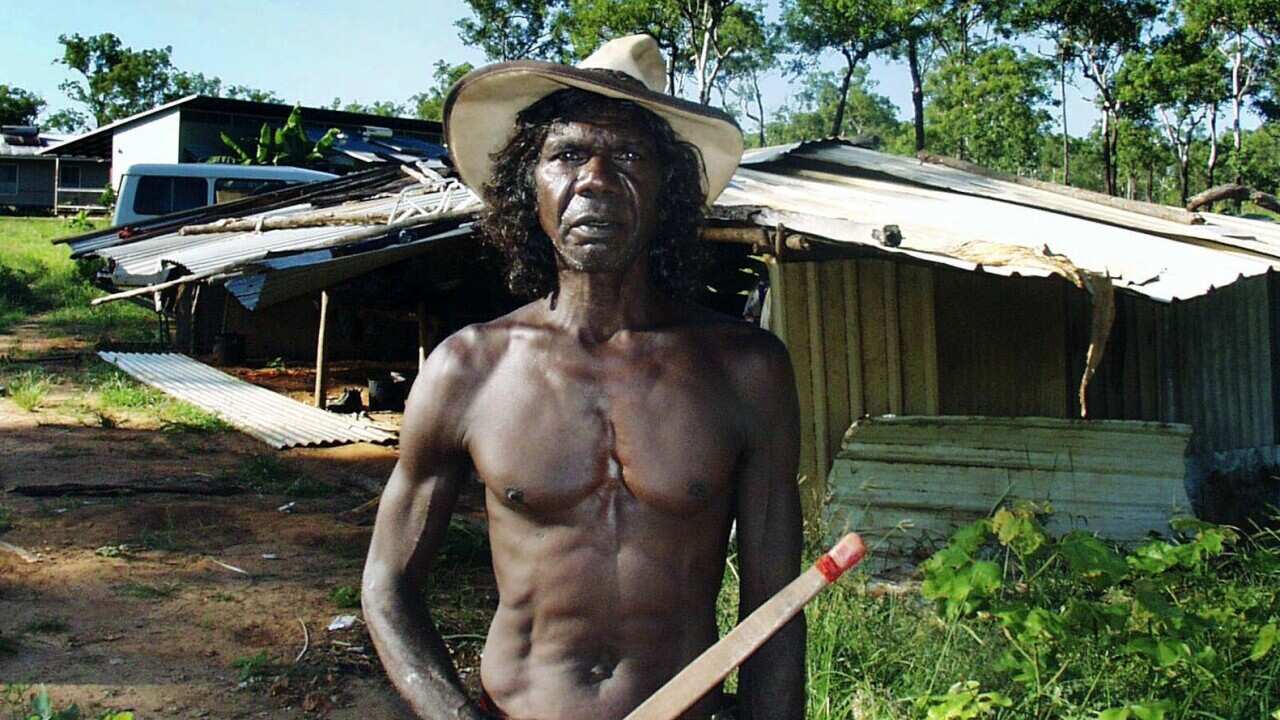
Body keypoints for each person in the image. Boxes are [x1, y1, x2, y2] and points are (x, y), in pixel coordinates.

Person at [362, 35, 804, 720]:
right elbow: (387, 582)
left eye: (628, 155)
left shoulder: (746, 370)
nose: (595, 178)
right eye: (566, 154)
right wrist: (451, 714)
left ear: (668, 190)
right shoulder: (468, 368)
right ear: (526, 186)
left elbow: (774, 608)